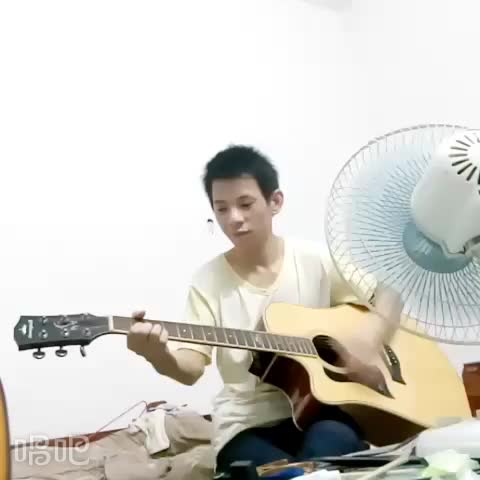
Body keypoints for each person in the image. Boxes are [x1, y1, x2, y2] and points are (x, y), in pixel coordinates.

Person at [126, 145, 400, 472]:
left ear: (275, 202)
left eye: (245, 204)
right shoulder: (207, 281)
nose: (234, 218)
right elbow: (190, 368)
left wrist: (369, 340)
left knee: (326, 453)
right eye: (222, 208)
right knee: (280, 474)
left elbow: (390, 295)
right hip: (246, 423)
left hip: (324, 409)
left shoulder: (315, 259)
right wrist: (157, 355)